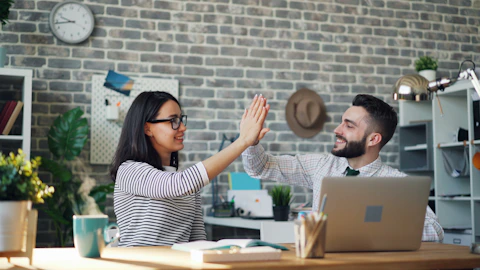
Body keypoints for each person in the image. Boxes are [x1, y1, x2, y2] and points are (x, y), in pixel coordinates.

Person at [242, 94, 444, 242]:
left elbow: (435, 231)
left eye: (349, 126)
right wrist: (249, 142)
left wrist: (376, 229)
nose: (337, 130)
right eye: (341, 123)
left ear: (374, 139)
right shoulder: (321, 166)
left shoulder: (397, 183)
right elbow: (260, 167)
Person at [111, 91, 269, 247]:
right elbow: (177, 185)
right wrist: (242, 142)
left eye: (181, 120)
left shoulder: (188, 184)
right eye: (173, 120)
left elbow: (197, 240)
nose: (182, 128)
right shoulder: (128, 171)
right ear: (147, 128)